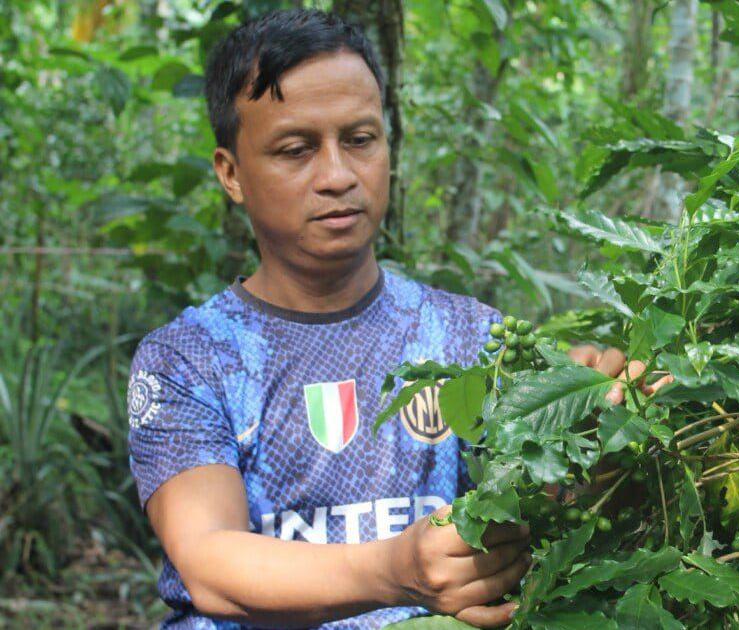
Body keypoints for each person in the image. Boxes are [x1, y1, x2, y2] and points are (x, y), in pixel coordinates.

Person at [126, 9, 667, 629]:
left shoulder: (470, 337)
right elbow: (209, 562)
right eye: (296, 150)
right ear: (231, 174)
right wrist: (391, 571)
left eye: (360, 140)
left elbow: (538, 508)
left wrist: (593, 435)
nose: (337, 176)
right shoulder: (189, 359)